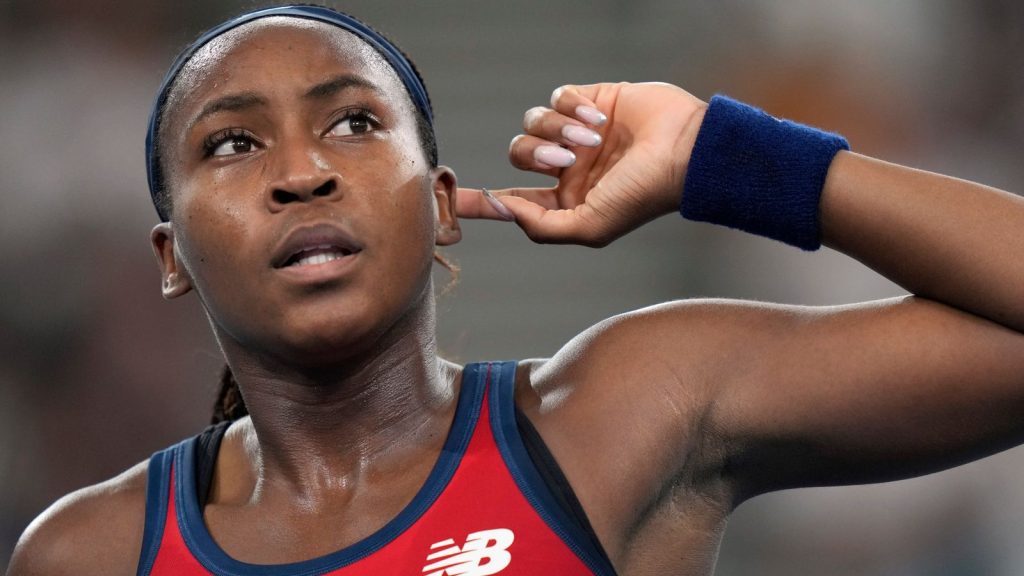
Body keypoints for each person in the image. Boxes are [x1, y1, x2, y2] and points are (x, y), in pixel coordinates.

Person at [7, 4, 1024, 576]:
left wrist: (727, 156)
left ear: (443, 206)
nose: (302, 171)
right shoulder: (87, 556)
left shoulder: (625, 414)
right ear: (170, 255)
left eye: (355, 123)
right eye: (233, 142)